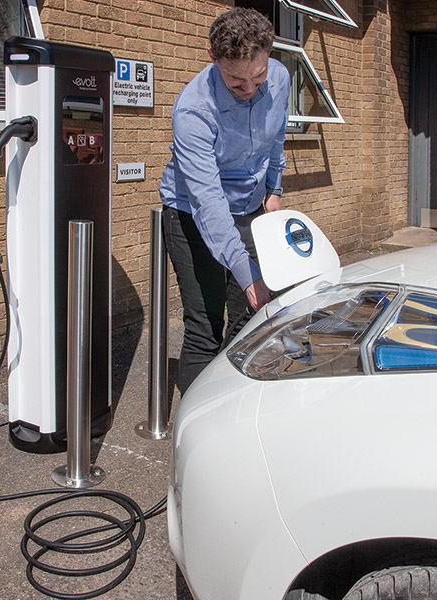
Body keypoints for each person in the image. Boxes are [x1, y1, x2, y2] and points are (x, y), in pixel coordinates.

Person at [159, 7, 290, 395]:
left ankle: (232, 405)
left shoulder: (280, 77)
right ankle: (196, 435)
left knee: (249, 315)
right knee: (205, 325)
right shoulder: (193, 111)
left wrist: (274, 188)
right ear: (213, 59)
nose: (249, 88)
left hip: (250, 206)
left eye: (258, 77)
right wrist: (243, 268)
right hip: (193, 213)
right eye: (236, 82)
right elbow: (208, 200)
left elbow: (277, 137)